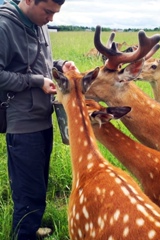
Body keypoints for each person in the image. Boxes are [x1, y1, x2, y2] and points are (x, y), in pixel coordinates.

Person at [0, 0, 78, 239]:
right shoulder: (4, 26)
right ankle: (23, 233)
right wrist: (36, 82)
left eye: (55, 13)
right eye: (48, 11)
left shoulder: (39, 23)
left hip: (43, 117)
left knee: (39, 182)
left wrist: (59, 64)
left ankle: (31, 227)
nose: (51, 19)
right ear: (29, 1)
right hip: (22, 123)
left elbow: (40, 62)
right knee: (27, 188)